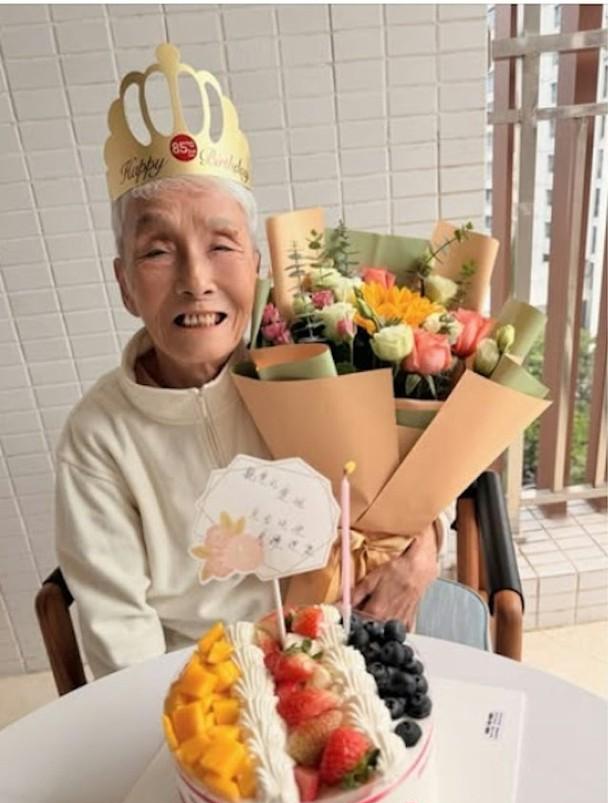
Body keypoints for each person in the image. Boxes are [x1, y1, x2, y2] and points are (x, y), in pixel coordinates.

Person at [55, 45, 440, 679]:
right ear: (125, 284)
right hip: (204, 679)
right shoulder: (98, 438)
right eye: (157, 251)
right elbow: (119, 637)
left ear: (257, 264)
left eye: (222, 245)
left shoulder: (317, 367)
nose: (196, 280)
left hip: (345, 647)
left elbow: (411, 483)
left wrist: (422, 552)